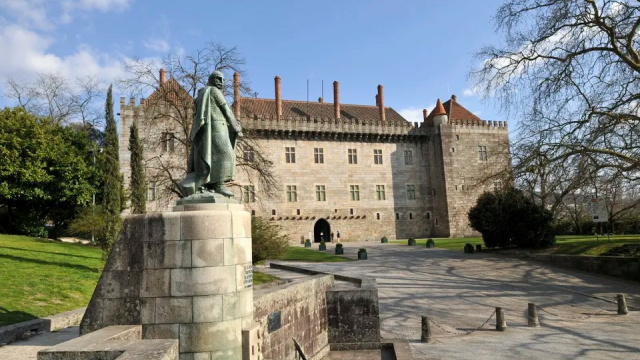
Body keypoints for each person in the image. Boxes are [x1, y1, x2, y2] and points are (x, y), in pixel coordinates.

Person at [178, 71, 243, 197]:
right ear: (211, 79)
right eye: (218, 79)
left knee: (212, 156)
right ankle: (219, 185)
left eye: (223, 79)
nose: (221, 82)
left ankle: (210, 184)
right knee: (226, 154)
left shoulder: (202, 94)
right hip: (217, 127)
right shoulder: (214, 91)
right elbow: (226, 109)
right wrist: (236, 127)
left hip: (211, 129)